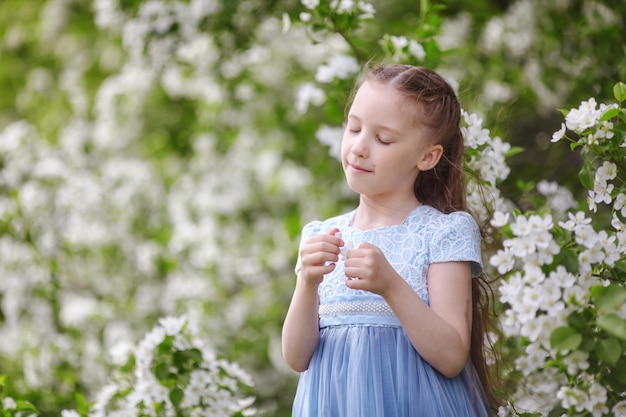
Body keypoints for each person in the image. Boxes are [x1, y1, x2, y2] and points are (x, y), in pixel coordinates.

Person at [282, 64, 500, 416]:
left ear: (427, 157)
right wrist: (307, 283)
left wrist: (391, 286)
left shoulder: (443, 232)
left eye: (383, 139)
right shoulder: (320, 234)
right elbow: (296, 358)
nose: (359, 148)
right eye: (353, 128)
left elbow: (451, 357)